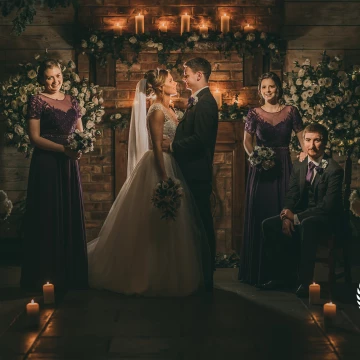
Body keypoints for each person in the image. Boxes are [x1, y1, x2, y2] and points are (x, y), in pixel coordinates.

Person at [87, 69, 211, 296]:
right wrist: (164, 178)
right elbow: (155, 145)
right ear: (162, 86)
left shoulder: (171, 108)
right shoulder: (155, 111)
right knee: (154, 222)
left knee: (173, 225)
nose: (176, 83)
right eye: (172, 80)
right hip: (160, 165)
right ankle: (147, 274)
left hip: (174, 162)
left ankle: (169, 272)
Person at [21, 59, 88, 292]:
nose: (55, 81)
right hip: (47, 164)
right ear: (42, 79)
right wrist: (64, 150)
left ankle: (72, 275)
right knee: (48, 214)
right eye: (50, 77)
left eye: (58, 76)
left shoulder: (72, 100)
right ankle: (47, 274)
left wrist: (80, 148)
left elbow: (81, 132)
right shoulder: (37, 100)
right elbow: (35, 138)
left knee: (68, 212)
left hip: (69, 164)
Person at [238, 72, 307, 286]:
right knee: (262, 213)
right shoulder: (253, 113)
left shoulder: (291, 111)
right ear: (260, 91)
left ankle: (285, 273)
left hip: (284, 166)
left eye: (272, 86)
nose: (268, 91)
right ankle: (260, 272)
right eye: (264, 87)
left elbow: (302, 138)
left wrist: (305, 153)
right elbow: (247, 143)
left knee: (282, 212)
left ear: (278, 88)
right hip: (261, 170)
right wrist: (255, 158)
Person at [260, 124, 344, 297]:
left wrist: (296, 217)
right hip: (301, 215)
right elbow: (292, 194)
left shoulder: (334, 170)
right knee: (268, 225)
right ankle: (281, 277)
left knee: (307, 224)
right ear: (303, 141)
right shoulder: (299, 165)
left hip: (325, 219)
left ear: (325, 142)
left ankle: (305, 282)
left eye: (317, 140)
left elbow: (327, 207)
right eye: (307, 140)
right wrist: (286, 216)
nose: (311, 146)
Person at [162, 58, 219, 288]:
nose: (183, 78)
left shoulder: (206, 103)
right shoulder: (196, 101)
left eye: (186, 74)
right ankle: (199, 273)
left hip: (197, 173)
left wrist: (173, 146)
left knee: (202, 224)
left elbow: (201, 140)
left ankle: (207, 276)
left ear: (199, 75)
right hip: (189, 171)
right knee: (195, 224)